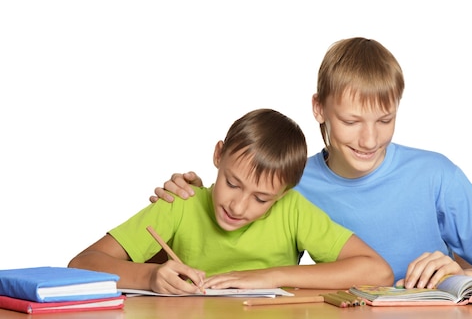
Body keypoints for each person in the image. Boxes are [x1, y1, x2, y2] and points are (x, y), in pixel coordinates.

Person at [151, 38, 472, 290]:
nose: (369, 140)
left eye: (385, 120)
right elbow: (225, 244)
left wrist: (465, 275)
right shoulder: (288, 183)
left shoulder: (436, 175)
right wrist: (194, 202)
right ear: (319, 109)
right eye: (352, 122)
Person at [69, 108, 393, 294]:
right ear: (218, 154)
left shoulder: (292, 210)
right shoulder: (180, 202)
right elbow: (82, 265)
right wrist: (150, 278)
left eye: (261, 198)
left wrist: (271, 277)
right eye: (232, 183)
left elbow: (377, 272)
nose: (238, 207)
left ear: (283, 194)